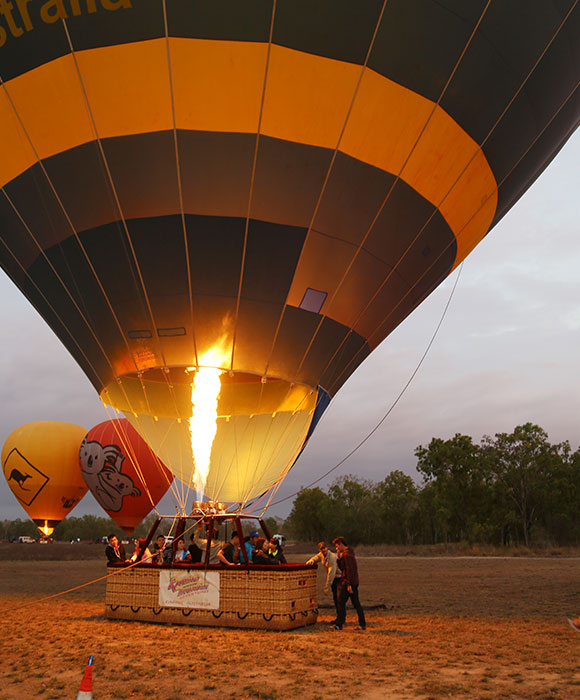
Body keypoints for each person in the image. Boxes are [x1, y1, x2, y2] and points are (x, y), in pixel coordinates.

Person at [332, 536, 366, 631]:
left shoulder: (347, 555)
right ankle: (362, 624)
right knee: (356, 603)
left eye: (337, 546)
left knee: (341, 602)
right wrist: (338, 557)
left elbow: (349, 570)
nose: (336, 548)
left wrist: (348, 584)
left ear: (341, 544)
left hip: (349, 583)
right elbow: (343, 568)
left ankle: (339, 624)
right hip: (352, 582)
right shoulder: (349, 553)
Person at [306, 541, 340, 624]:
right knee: (336, 599)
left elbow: (331, 573)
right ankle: (339, 618)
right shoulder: (321, 555)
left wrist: (327, 586)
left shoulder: (331, 557)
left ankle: (341, 619)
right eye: (321, 549)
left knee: (339, 599)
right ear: (319, 550)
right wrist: (310, 561)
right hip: (333, 580)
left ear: (327, 548)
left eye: (324, 548)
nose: (323, 550)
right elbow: (315, 558)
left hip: (339, 578)